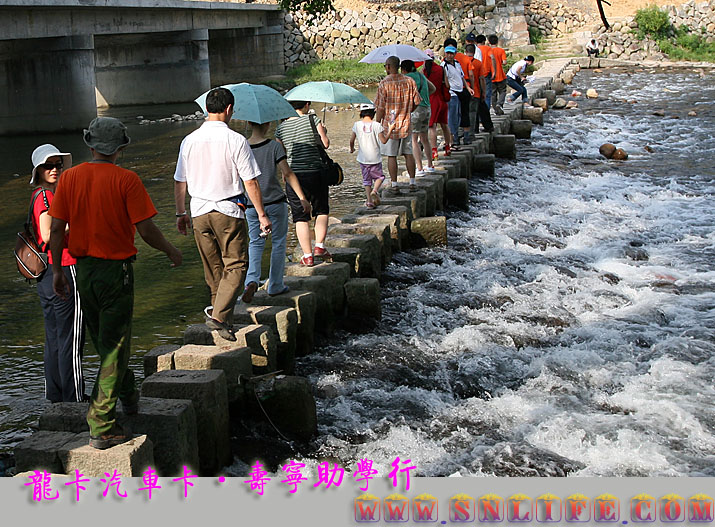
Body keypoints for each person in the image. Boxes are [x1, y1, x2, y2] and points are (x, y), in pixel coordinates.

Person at [49, 117, 182, 449]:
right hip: (116, 272)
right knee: (116, 345)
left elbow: (54, 230)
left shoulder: (69, 178)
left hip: (83, 271)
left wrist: (56, 271)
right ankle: (101, 422)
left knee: (103, 339)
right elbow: (147, 230)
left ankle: (128, 394)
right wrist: (171, 250)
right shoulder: (127, 180)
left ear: (90, 145)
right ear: (121, 148)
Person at [174, 87, 270, 340]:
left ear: (207, 108)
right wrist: (261, 214)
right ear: (228, 109)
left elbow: (179, 182)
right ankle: (218, 317)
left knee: (213, 270)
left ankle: (223, 324)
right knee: (236, 265)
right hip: (227, 210)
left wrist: (180, 212)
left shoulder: (189, 140)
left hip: (199, 211)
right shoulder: (236, 140)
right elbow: (250, 181)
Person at [29, 144, 85, 403]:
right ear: (38, 170)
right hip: (63, 267)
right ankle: (74, 399)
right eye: (48, 166)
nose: (54, 169)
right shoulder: (45, 197)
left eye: (58, 165)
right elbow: (47, 234)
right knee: (70, 336)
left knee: (54, 337)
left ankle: (56, 396)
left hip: (47, 273)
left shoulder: (42, 195)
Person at [242, 121, 311, 302]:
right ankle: (275, 285)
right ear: (268, 124)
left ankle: (251, 280)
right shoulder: (274, 146)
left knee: (255, 243)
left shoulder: (242, 146)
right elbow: (287, 173)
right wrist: (302, 198)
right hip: (275, 202)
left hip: (252, 205)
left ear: (249, 123)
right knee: (279, 243)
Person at [275, 100, 332, 267]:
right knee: (321, 210)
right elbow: (325, 144)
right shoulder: (313, 120)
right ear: (307, 105)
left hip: (294, 177)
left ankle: (307, 256)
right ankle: (320, 246)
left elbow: (282, 155)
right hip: (316, 172)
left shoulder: (280, 129)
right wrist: (324, 132)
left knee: (300, 216)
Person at [374, 55, 422, 194]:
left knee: (391, 156)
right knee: (408, 154)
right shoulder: (409, 81)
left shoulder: (384, 83)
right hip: (406, 123)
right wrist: (407, 111)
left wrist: (377, 124)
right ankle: (412, 182)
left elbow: (381, 108)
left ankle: (394, 185)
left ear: (388, 66)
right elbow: (417, 102)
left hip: (390, 126)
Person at [349, 103, 395, 209]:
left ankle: (369, 202)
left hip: (362, 158)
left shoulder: (357, 125)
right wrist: (390, 130)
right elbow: (383, 141)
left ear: (361, 113)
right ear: (373, 113)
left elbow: (351, 140)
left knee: (366, 181)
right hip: (374, 158)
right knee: (380, 177)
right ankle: (375, 191)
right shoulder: (377, 125)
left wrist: (352, 149)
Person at [400, 59, 436, 176]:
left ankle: (419, 168)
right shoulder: (421, 76)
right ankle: (430, 165)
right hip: (427, 108)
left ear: (404, 69)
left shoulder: (407, 78)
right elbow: (433, 88)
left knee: (414, 140)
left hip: (416, 110)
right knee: (425, 139)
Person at [421, 49, 453, 160]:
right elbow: (447, 85)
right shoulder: (441, 69)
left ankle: (434, 150)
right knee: (444, 125)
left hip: (431, 101)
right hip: (442, 100)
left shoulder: (423, 72)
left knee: (432, 127)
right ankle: (448, 147)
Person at [442, 45, 472, 148]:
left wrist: (468, 88)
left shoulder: (457, 64)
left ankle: (456, 136)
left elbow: (462, 77)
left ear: (455, 55)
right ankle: (453, 139)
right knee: (452, 116)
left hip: (460, 90)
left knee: (459, 114)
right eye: (448, 53)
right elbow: (444, 81)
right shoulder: (444, 66)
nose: (449, 55)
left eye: (451, 54)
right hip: (452, 92)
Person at [465, 43, 494, 133]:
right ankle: (487, 127)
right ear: (474, 52)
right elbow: (482, 79)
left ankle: (473, 130)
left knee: (469, 112)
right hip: (477, 91)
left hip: (466, 91)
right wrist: (484, 92)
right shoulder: (478, 63)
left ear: (465, 52)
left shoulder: (462, 62)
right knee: (479, 110)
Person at [451, 40, 476, 145]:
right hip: (465, 88)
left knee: (454, 114)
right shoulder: (465, 59)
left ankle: (456, 137)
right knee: (465, 112)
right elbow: (470, 74)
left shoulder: (446, 62)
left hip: (453, 91)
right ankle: (466, 137)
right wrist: (472, 87)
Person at [489, 34, 508, 115]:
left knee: (493, 94)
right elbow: (504, 62)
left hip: (490, 76)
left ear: (489, 42)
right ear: (497, 42)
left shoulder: (488, 50)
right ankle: (499, 104)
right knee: (502, 91)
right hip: (500, 75)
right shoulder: (501, 51)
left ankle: (496, 110)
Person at [476, 35, 494, 113]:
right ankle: (486, 114)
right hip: (486, 73)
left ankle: (479, 115)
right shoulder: (488, 48)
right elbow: (492, 58)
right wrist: (494, 71)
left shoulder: (475, 49)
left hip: (476, 74)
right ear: (484, 41)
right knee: (487, 94)